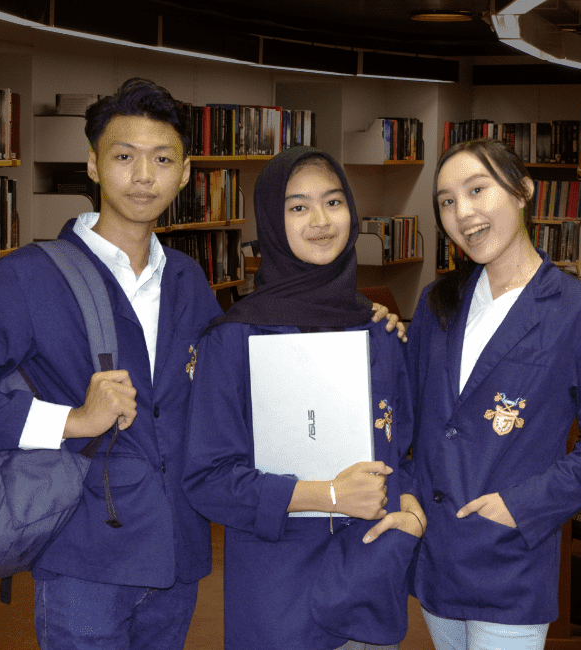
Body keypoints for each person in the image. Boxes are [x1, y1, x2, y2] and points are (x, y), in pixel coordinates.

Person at [0, 78, 402, 650]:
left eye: (162, 159)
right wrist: (71, 420)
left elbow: (236, 391)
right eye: (124, 157)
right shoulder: (29, 277)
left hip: (176, 559)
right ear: (93, 165)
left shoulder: (189, 280)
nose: (143, 175)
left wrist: (362, 316)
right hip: (84, 560)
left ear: (185, 173)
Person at [182, 146, 426, 650]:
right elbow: (207, 480)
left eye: (333, 202)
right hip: (280, 595)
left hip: (371, 579)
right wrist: (328, 495)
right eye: (298, 207)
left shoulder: (379, 331)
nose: (320, 220)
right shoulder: (234, 338)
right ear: (273, 222)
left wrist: (413, 510)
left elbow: (407, 446)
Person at [406, 139, 581, 650]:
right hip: (436, 555)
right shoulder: (437, 302)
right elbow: (411, 413)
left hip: (509, 559)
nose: (463, 213)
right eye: (447, 201)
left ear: (523, 191)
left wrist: (522, 505)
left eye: (477, 190)